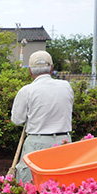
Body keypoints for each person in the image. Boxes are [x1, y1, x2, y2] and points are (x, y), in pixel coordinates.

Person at [11, 50, 74, 183]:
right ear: (51, 68)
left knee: (31, 187)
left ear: (30, 71)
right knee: (63, 186)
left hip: (36, 143)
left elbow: (17, 120)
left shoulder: (26, 91)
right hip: (64, 142)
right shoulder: (66, 87)